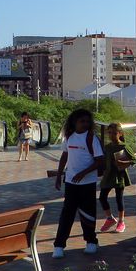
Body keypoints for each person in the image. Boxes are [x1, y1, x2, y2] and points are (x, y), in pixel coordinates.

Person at [52, 108, 104, 258]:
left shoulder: (91, 138)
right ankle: (59, 245)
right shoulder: (69, 137)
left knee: (87, 213)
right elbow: (64, 156)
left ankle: (91, 241)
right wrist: (58, 176)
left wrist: (83, 173)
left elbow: (99, 160)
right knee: (66, 214)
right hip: (70, 183)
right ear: (74, 122)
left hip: (87, 183)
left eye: (88, 121)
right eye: (82, 121)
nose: (85, 124)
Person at [99, 123, 135, 233]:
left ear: (120, 133)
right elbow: (104, 161)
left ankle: (121, 221)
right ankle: (110, 218)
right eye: (109, 133)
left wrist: (124, 162)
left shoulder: (123, 146)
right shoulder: (107, 147)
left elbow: (134, 160)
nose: (111, 135)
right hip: (108, 175)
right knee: (102, 197)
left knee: (119, 198)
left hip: (119, 175)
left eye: (114, 133)